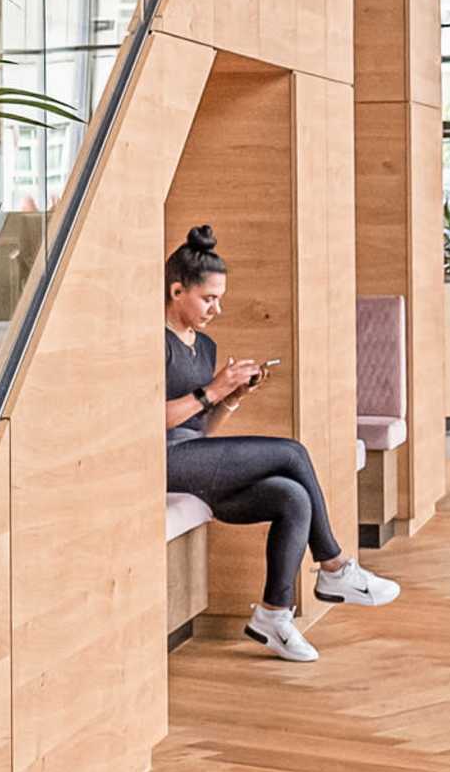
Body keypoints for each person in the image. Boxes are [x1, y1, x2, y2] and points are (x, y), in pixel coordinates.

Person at [162, 224, 399, 662]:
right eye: (208, 298)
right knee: (292, 453)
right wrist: (211, 391)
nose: (217, 307)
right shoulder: (154, 343)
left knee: (291, 497)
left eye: (220, 297)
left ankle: (273, 614)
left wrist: (230, 399)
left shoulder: (207, 346)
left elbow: (200, 433)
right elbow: (145, 426)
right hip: (161, 462)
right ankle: (333, 567)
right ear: (177, 290)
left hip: (193, 458)